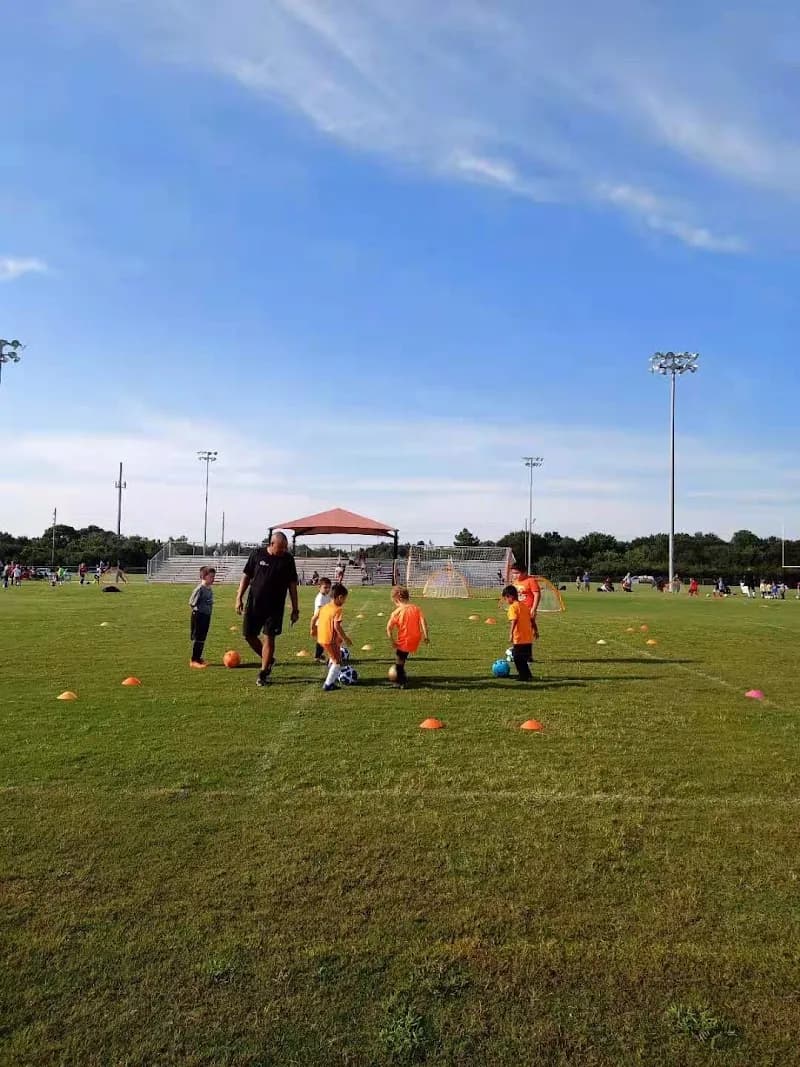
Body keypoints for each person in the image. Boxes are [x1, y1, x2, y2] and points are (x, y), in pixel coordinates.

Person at [235, 531, 300, 688]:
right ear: (271, 544)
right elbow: (246, 577)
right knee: (249, 635)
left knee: (269, 637)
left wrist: (295, 608)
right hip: (255, 603)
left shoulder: (288, 560)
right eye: (281, 547)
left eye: (285, 548)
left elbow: (292, 585)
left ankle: (263, 672)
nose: (283, 551)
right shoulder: (257, 554)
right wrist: (239, 598)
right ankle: (269, 659)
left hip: (275, 607)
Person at [386, 586, 429, 689]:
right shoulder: (416, 608)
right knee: (402, 657)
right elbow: (423, 622)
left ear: (398, 599)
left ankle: (400, 682)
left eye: (395, 602)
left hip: (405, 639)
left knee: (399, 661)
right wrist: (426, 636)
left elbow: (388, 628)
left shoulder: (397, 612)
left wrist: (392, 641)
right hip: (415, 639)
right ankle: (401, 676)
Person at [316, 583, 352, 691]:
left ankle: (332, 676)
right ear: (340, 597)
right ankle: (328, 684)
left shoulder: (325, 607)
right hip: (329, 639)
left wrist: (313, 630)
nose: (344, 601)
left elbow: (316, 619)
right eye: (344, 599)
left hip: (321, 638)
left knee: (334, 657)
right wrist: (345, 638)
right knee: (338, 661)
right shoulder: (338, 609)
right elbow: (337, 626)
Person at [502, 585, 533, 681]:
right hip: (528, 637)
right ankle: (527, 674)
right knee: (523, 658)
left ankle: (523, 676)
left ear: (510, 596)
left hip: (519, 637)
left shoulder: (513, 607)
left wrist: (511, 633)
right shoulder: (523, 606)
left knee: (517, 658)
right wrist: (535, 630)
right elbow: (531, 619)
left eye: (506, 598)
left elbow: (514, 620)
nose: (506, 601)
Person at [188, 566, 216, 668]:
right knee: (198, 638)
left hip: (206, 616)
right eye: (211, 577)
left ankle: (198, 658)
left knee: (202, 638)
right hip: (199, 616)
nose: (213, 579)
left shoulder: (209, 588)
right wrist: (199, 609)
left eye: (214, 577)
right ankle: (194, 660)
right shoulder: (200, 589)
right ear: (204, 576)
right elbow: (191, 602)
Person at [509, 564, 541, 643]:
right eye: (513, 573)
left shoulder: (531, 581)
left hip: (528, 609)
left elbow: (537, 594)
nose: (515, 575)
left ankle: (523, 647)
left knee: (524, 630)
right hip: (517, 609)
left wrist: (533, 609)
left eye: (517, 573)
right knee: (517, 629)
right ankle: (518, 646)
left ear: (524, 572)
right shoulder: (515, 582)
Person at [310, 577, 333, 663]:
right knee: (323, 640)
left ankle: (319, 655)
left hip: (325, 622)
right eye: (325, 587)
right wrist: (312, 627)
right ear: (319, 587)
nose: (327, 589)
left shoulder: (326, 596)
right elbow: (319, 614)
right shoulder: (320, 598)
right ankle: (318, 656)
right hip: (320, 623)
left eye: (329, 587)